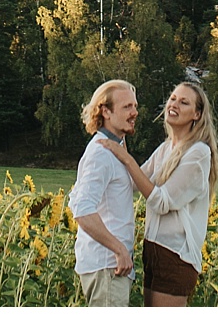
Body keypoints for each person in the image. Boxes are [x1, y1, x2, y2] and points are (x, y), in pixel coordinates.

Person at [98, 79, 218, 306]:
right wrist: (98, 174)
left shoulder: (198, 154)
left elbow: (161, 202)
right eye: (173, 98)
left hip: (176, 255)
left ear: (197, 114)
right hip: (153, 250)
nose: (174, 104)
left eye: (184, 102)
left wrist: (125, 157)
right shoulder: (166, 148)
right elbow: (133, 182)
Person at [67, 79, 140, 305]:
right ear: (105, 111)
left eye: (135, 106)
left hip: (110, 266)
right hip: (107, 267)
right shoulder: (101, 153)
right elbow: (82, 209)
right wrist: (119, 250)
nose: (134, 112)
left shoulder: (115, 148)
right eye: (127, 107)